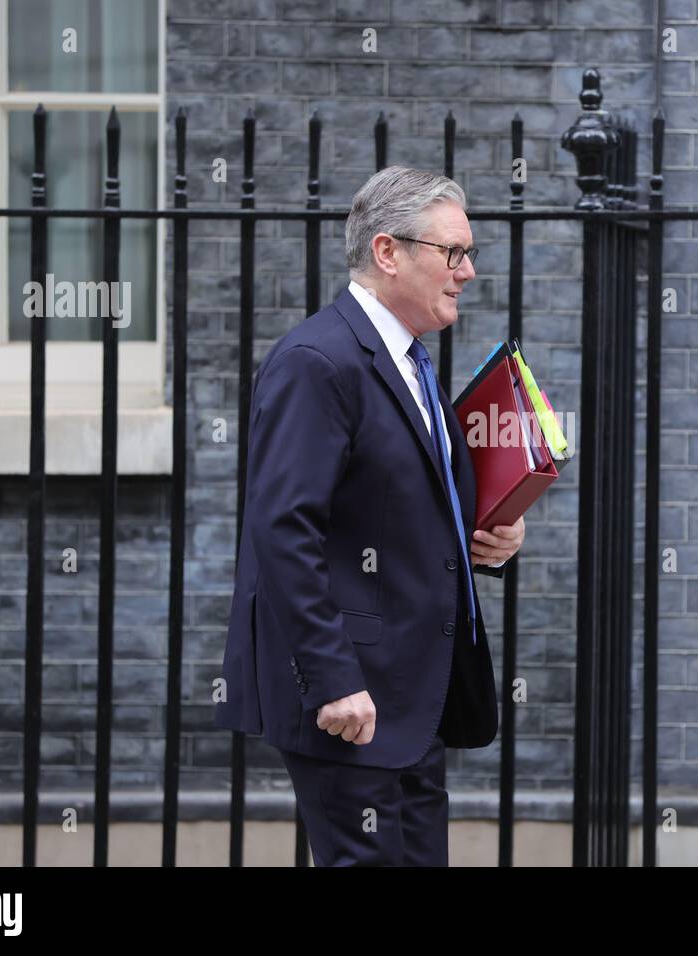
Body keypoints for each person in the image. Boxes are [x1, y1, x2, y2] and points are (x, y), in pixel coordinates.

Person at [214, 165, 525, 866]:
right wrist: (334, 681)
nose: (468, 271)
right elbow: (283, 530)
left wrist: (492, 535)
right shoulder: (317, 362)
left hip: (415, 697)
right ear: (388, 252)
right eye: (453, 252)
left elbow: (397, 509)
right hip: (355, 696)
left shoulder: (411, 362)